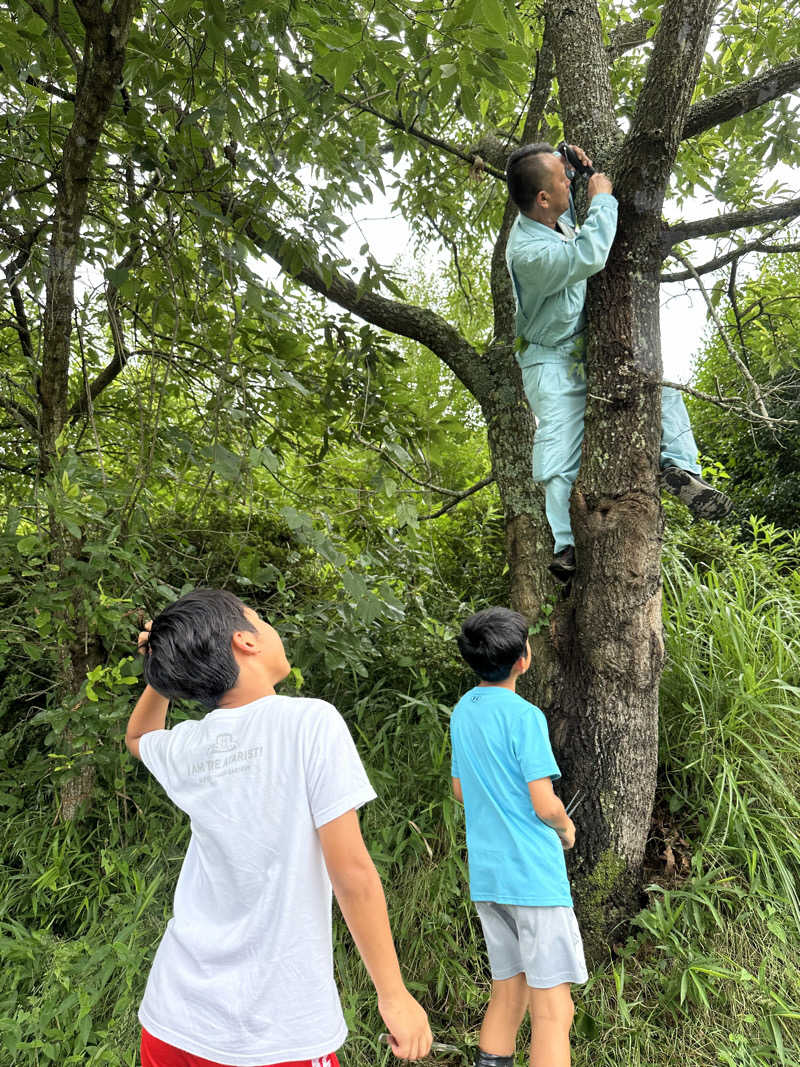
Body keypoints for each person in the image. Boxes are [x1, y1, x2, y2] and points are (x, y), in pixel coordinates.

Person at [126, 588, 432, 1067]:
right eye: (260, 620)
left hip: (173, 1022)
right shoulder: (309, 722)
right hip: (274, 1034)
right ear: (246, 641)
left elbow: (139, 736)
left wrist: (162, 671)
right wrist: (393, 996)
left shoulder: (190, 745)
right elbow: (351, 872)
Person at [505, 142, 733, 582]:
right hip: (549, 359)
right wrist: (604, 197)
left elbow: (568, 219)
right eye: (561, 179)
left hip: (581, 343)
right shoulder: (528, 253)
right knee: (559, 447)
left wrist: (565, 159)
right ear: (543, 198)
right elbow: (589, 255)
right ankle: (566, 546)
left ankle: (682, 469)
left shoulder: (548, 215)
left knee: (656, 385)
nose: (569, 181)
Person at [450, 606, 586, 1067]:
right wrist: (566, 830)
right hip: (533, 876)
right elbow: (544, 803)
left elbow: (459, 789)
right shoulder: (526, 716)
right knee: (554, 1010)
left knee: (508, 993)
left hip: (489, 877)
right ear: (523, 659)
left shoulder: (463, 711)